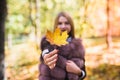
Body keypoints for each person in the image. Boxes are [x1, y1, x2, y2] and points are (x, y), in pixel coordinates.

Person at [39, 11, 86, 80]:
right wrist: (46, 55)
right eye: (60, 23)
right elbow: (46, 50)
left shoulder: (78, 46)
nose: (63, 26)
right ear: (56, 25)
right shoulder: (49, 40)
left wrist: (79, 72)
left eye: (66, 23)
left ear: (71, 25)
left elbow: (83, 72)